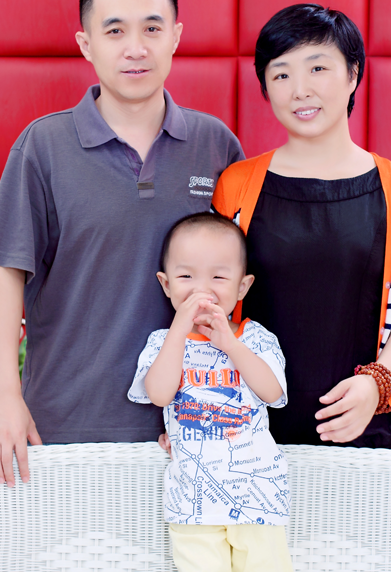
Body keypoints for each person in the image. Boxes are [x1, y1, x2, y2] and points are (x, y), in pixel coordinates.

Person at [0, 0, 243, 488]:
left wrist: (223, 404)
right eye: (115, 31)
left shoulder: (216, 146)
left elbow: (240, 284)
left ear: (175, 37)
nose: (135, 48)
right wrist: (4, 396)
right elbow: (5, 275)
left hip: (190, 432)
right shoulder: (43, 147)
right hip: (62, 427)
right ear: (86, 44)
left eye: (152, 28)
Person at [212, 4, 391, 451]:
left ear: (353, 74)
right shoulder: (236, 186)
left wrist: (377, 383)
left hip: (365, 430)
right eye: (281, 74)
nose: (300, 90)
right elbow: (210, 303)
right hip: (246, 436)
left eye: (317, 68)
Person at [128, 212, 292, 572]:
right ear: (166, 284)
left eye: (218, 277)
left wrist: (230, 345)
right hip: (193, 502)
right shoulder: (162, 342)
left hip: (258, 497)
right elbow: (159, 394)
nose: (201, 290)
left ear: (242, 287)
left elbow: (272, 392)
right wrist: (178, 331)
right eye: (186, 277)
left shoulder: (255, 338)